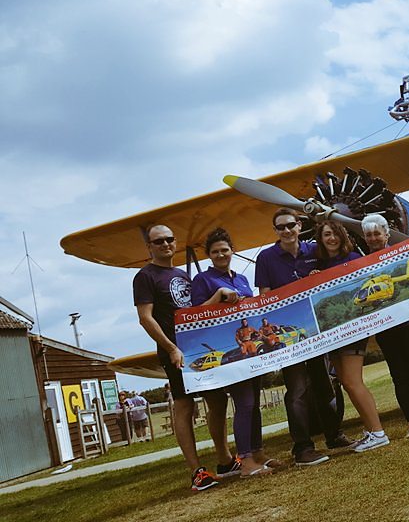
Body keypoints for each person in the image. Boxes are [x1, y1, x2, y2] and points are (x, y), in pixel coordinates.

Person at [133, 224, 236, 491]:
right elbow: (145, 318)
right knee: (184, 405)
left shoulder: (181, 274)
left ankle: (225, 459)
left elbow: (195, 311)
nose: (165, 244)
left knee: (218, 399)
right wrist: (170, 348)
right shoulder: (145, 276)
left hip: (197, 348)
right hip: (175, 350)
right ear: (149, 246)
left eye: (169, 239)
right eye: (158, 241)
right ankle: (197, 472)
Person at [255, 208, 341, 466]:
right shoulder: (266, 258)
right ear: (275, 231)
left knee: (324, 384)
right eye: (280, 227)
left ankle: (335, 436)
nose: (286, 231)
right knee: (297, 389)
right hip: (288, 336)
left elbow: (333, 273)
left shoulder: (314, 250)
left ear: (299, 225)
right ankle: (302, 448)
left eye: (290, 225)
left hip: (315, 330)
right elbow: (264, 296)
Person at [192, 227, 278, 477]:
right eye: (215, 252)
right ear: (209, 255)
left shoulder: (241, 279)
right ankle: (246, 460)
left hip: (252, 352)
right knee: (245, 403)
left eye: (225, 250)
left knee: (254, 404)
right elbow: (195, 315)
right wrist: (218, 295)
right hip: (231, 352)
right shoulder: (202, 280)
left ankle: (258, 453)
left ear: (232, 251)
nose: (221, 255)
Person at [315, 219, 389, 452]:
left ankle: (378, 432)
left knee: (352, 381)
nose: (331, 239)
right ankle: (371, 430)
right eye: (326, 235)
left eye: (335, 233)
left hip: (353, 328)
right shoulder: (320, 264)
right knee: (346, 383)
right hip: (333, 331)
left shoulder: (354, 258)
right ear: (321, 239)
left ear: (342, 236)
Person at [361, 214, 409, 438]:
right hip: (385, 326)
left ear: (386, 234)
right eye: (369, 235)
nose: (373, 238)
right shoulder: (361, 263)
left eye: (377, 233)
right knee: (398, 374)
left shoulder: (401, 254)